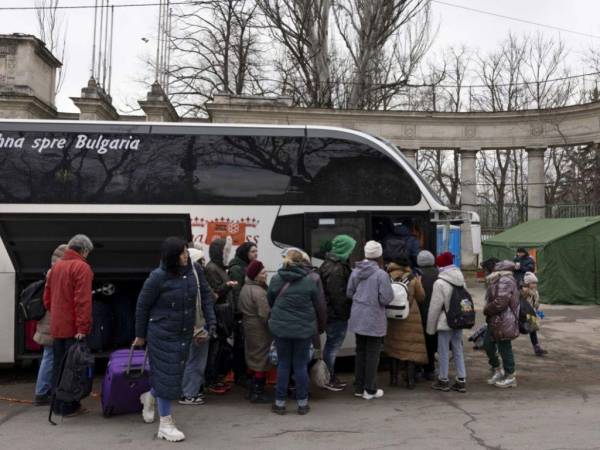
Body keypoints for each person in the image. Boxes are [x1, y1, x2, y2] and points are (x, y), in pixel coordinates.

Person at [134, 237, 197, 442]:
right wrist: (140, 335)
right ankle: (165, 424)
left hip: (183, 333)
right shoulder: (157, 277)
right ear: (172, 256)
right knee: (167, 375)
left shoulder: (189, 274)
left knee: (172, 375)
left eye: (186, 251)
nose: (186, 255)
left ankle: (150, 396)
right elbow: (142, 306)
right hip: (161, 333)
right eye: (182, 253)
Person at [43, 234, 94, 417]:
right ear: (84, 250)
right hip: (73, 328)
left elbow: (47, 299)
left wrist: (57, 313)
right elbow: (83, 301)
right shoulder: (82, 267)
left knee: (59, 366)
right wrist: (82, 327)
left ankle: (57, 406)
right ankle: (69, 407)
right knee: (73, 370)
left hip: (57, 326)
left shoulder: (56, 267)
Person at [268, 249, 321, 415]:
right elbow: (316, 303)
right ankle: (303, 404)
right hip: (303, 329)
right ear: (302, 262)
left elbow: (270, 299)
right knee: (300, 365)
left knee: (283, 364)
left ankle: (280, 403)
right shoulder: (309, 281)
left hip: (281, 328)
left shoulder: (276, 279)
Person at [347, 241, 394, 400]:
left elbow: (349, 292)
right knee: (373, 354)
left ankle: (358, 387)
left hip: (358, 316)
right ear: (379, 255)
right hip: (374, 317)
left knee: (360, 352)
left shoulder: (355, 271)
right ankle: (370, 389)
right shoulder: (381, 274)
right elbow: (386, 298)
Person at [179, 248, 218, 406]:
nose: (204, 263)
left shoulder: (192, 275)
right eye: (201, 260)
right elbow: (206, 300)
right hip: (197, 326)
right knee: (195, 360)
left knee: (192, 359)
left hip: (195, 325)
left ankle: (190, 390)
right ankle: (189, 393)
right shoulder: (194, 276)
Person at [318, 234, 356, 391]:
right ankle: (329, 377)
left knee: (330, 345)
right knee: (332, 347)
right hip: (335, 314)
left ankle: (328, 376)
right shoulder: (337, 268)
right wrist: (344, 314)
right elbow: (337, 296)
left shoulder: (328, 263)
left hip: (330, 312)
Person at [426, 252, 468, 393]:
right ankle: (461, 379)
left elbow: (435, 306)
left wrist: (430, 328)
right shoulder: (461, 279)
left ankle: (443, 379)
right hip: (459, 319)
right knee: (458, 348)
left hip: (445, 321)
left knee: (443, 350)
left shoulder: (440, 282)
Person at [385, 254, 427, 389]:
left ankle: (393, 380)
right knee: (410, 350)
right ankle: (410, 381)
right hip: (410, 317)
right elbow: (421, 297)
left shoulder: (387, 276)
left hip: (392, 317)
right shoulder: (413, 278)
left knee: (393, 349)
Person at [33, 244, 67, 406]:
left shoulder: (51, 273)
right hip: (51, 322)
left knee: (48, 356)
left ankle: (43, 390)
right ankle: (41, 393)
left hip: (47, 321)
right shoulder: (56, 275)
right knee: (49, 356)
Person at [204, 237, 238, 393]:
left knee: (221, 349)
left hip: (224, 314)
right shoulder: (211, 268)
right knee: (215, 350)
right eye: (225, 250)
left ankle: (217, 378)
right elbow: (215, 292)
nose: (227, 253)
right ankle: (211, 380)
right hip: (218, 315)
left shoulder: (219, 267)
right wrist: (227, 285)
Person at [483, 260, 520, 389]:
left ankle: (510, 376)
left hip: (503, 319)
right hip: (497, 319)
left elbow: (500, 302)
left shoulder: (505, 280)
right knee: (488, 343)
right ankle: (498, 370)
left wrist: (487, 309)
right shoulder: (499, 279)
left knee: (504, 346)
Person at [239, 259, 272, 403]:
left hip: (249, 325)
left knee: (252, 357)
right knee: (261, 360)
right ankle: (257, 392)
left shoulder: (246, 287)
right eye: (263, 272)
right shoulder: (259, 292)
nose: (265, 274)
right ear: (256, 275)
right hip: (260, 328)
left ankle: (252, 389)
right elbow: (265, 314)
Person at [228, 242, 258, 388]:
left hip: (246, 313)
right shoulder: (237, 269)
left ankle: (245, 373)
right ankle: (240, 375)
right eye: (252, 252)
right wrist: (241, 312)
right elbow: (236, 292)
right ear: (245, 253)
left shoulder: (246, 267)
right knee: (239, 347)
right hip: (241, 314)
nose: (255, 254)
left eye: (256, 251)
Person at [416, 250, 439, 380]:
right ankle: (430, 369)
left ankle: (418, 368)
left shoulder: (416, 275)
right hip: (435, 314)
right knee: (432, 342)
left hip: (420, 314)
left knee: (420, 343)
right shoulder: (439, 274)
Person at [521, 272, 547, 356]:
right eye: (532, 283)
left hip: (531, 315)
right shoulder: (523, 292)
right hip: (521, 315)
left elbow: (535, 305)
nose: (534, 285)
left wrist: (539, 312)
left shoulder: (536, 293)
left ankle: (537, 348)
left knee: (533, 330)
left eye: (535, 283)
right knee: (514, 331)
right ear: (527, 283)